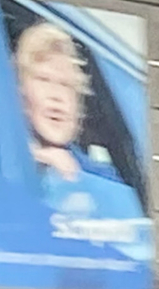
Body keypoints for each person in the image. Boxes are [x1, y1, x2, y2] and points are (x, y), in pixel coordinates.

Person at [12, 19, 147, 258]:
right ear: (21, 93)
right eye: (43, 80)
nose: (57, 97)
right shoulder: (9, 165)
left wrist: (75, 182)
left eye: (66, 85)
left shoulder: (106, 181)